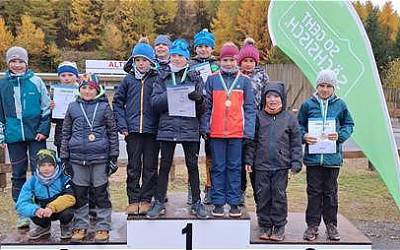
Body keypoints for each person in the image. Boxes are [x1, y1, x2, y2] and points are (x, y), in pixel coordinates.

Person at [147, 39, 207, 219]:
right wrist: (171, 95)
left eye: (180, 56)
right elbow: (154, 103)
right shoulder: (162, 76)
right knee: (164, 165)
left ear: (187, 58)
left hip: (190, 127)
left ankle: (197, 202)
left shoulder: (195, 76)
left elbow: (203, 108)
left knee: (192, 165)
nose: (177, 59)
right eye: (174, 55)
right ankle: (159, 202)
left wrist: (199, 99)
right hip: (168, 126)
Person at [60, 73, 119, 242]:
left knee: (100, 193)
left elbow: (112, 133)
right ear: (79, 89)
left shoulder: (104, 107)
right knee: (80, 193)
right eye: (84, 88)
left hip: (100, 157)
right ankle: (80, 224)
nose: (87, 91)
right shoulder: (72, 107)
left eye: (91, 88)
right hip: (77, 158)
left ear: (97, 90)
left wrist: (113, 156)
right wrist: (64, 157)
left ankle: (103, 225)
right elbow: (65, 133)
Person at [298, 69, 354, 241]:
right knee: (314, 192)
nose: (324, 89)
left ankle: (331, 225)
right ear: (317, 86)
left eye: (329, 86)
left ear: (334, 87)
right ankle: (312, 226)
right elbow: (298, 125)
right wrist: (304, 136)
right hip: (314, 159)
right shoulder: (308, 105)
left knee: (330, 192)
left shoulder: (341, 105)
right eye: (322, 85)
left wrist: (340, 136)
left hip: (332, 159)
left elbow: (349, 124)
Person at [201, 42, 256, 218]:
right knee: (218, 167)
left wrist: (248, 131)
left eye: (232, 59)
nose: (228, 63)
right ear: (220, 60)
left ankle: (233, 203)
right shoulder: (212, 80)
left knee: (234, 168)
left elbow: (249, 108)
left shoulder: (245, 81)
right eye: (225, 59)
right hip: (216, 132)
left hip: (237, 133)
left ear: (237, 60)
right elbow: (206, 107)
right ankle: (218, 202)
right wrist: (205, 126)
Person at [244, 82, 302, 241]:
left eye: (276, 96)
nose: (272, 100)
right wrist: (249, 159)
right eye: (269, 96)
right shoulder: (258, 117)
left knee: (279, 196)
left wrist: (296, 162)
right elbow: (252, 142)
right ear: (264, 98)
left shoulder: (290, 118)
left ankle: (279, 226)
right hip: (261, 166)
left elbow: (296, 142)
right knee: (262, 196)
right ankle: (264, 225)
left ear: (282, 98)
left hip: (281, 166)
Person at [0, 46, 51, 229]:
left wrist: (43, 130)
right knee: (18, 173)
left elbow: (46, 108)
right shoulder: (3, 84)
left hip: (36, 135)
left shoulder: (36, 81)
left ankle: (42, 208)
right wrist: (2, 135)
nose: (17, 64)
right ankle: (22, 211)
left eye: (20, 61)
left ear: (26, 63)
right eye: (13, 61)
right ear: (8, 63)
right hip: (14, 137)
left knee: (41, 172)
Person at [113, 40, 158, 216]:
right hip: (132, 131)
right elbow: (117, 103)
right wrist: (122, 126)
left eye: (145, 60)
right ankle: (133, 199)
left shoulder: (156, 79)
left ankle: (146, 199)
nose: (141, 63)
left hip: (151, 131)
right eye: (138, 60)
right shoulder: (128, 80)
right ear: (133, 61)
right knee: (133, 166)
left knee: (150, 166)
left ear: (151, 62)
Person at [188, 28, 219, 205]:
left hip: (212, 115)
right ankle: (192, 189)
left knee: (211, 155)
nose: (203, 49)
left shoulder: (218, 65)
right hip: (192, 114)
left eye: (207, 46)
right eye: (200, 46)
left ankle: (210, 187)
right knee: (191, 155)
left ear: (212, 48)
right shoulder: (189, 64)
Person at [237, 37, 270, 205]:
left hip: (256, 124)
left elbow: (268, 98)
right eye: (245, 61)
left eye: (251, 61)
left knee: (254, 163)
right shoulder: (235, 76)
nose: (248, 64)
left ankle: (260, 199)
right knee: (240, 161)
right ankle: (240, 193)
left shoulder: (262, 77)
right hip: (238, 123)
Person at [16, 149, 75, 240]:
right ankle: (44, 227)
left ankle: (65, 225)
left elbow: (70, 197)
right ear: (38, 166)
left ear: (55, 165)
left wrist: (52, 207)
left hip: (59, 210)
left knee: (67, 212)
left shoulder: (63, 178)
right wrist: (35, 210)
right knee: (32, 212)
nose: (46, 168)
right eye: (42, 165)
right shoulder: (32, 181)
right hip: (42, 212)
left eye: (50, 165)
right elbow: (21, 203)